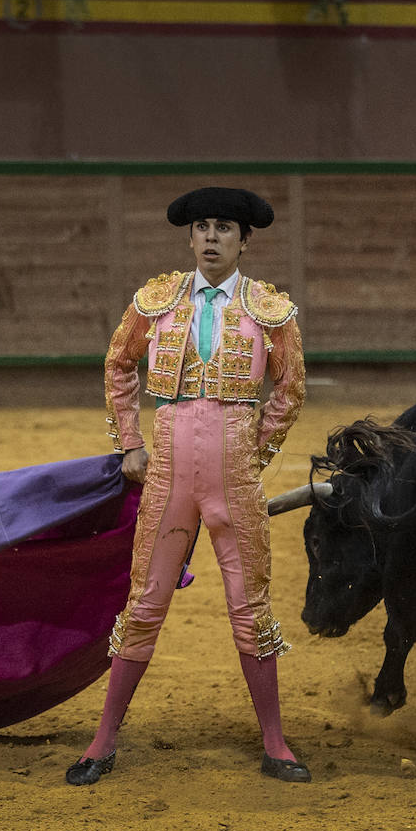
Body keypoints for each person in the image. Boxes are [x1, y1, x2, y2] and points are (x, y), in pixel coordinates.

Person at [66, 186, 309, 786]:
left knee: (250, 608)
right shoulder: (156, 301)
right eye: (201, 227)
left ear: (243, 240)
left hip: (234, 471)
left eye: (223, 228)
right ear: (189, 236)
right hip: (170, 466)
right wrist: (129, 441)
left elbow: (290, 389)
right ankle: (102, 740)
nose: (210, 237)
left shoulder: (270, 309)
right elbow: (119, 363)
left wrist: (255, 451)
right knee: (146, 603)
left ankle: (274, 741)